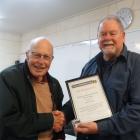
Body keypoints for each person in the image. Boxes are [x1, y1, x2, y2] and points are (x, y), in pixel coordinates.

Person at [62, 15, 140, 140]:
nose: (107, 38)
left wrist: (100, 127)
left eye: (112, 33)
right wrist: (63, 114)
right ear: (98, 39)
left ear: (123, 36)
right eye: (103, 34)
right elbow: (78, 100)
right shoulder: (89, 66)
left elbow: (137, 109)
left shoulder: (136, 63)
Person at [0, 36, 65, 140]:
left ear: (51, 59)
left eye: (46, 57)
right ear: (27, 55)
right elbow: (7, 121)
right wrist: (50, 120)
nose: (41, 61)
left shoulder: (54, 84)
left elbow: (59, 118)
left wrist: (60, 136)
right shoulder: (7, 78)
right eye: (36, 55)